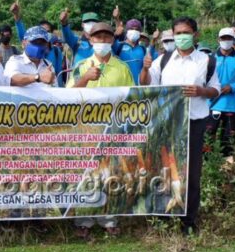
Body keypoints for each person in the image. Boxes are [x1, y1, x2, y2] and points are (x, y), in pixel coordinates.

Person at [140, 17, 220, 236]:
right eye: (178, 33)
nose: (182, 37)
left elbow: (216, 90)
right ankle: (162, 217)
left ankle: (188, 221)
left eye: (186, 32)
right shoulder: (163, 60)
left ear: (195, 34)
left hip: (195, 122)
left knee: (191, 174)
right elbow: (147, 85)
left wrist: (201, 91)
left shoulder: (206, 61)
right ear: (173, 35)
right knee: (164, 170)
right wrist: (145, 69)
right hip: (167, 124)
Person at [67, 22, 133, 238]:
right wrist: (85, 78)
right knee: (86, 175)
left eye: (106, 38)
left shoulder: (122, 68)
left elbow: (132, 98)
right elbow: (67, 97)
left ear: (112, 41)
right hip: (86, 129)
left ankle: (109, 219)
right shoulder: (81, 65)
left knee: (110, 174)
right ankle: (83, 221)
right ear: (90, 40)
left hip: (113, 129)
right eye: (98, 38)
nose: (102, 41)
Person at [206, 28, 235, 162]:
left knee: (229, 139)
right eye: (223, 38)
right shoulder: (211, 58)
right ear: (218, 40)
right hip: (212, 104)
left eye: (229, 38)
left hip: (232, 105)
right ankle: (207, 165)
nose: (226, 41)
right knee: (208, 136)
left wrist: (232, 87)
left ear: (234, 40)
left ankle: (227, 166)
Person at [10, 2, 64, 84]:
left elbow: (58, 72)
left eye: (47, 31)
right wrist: (38, 77)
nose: (38, 45)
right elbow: (12, 79)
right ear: (24, 43)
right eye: (35, 41)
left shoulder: (54, 55)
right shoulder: (15, 61)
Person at [112, 18, 156, 85]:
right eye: (131, 29)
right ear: (127, 31)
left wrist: (154, 40)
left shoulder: (142, 49)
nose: (134, 31)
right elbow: (108, 43)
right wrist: (115, 34)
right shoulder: (119, 46)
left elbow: (150, 56)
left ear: (139, 32)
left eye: (137, 29)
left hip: (138, 88)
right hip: (122, 87)